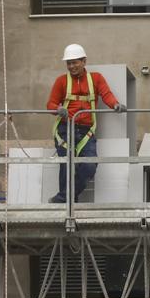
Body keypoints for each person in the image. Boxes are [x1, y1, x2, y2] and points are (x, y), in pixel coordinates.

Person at [46, 44, 124, 203]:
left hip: (86, 131)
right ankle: (67, 201)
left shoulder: (96, 78)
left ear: (84, 61)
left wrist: (115, 105)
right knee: (66, 165)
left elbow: (106, 94)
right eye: (69, 63)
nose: (71, 66)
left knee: (90, 166)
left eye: (75, 62)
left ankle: (64, 197)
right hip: (65, 129)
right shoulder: (61, 81)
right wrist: (58, 109)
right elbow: (50, 104)